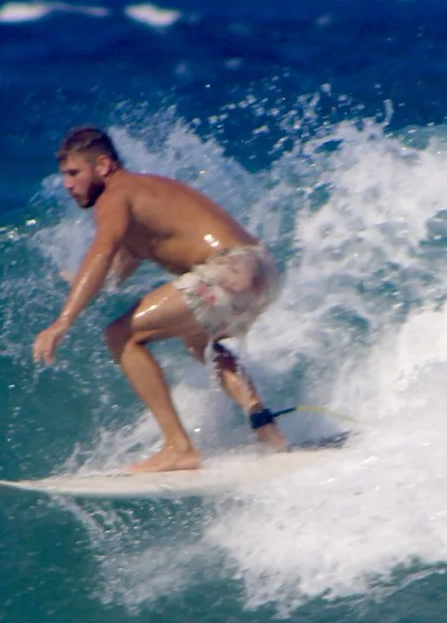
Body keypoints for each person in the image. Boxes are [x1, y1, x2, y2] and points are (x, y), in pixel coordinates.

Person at [32, 126, 287, 473]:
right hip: (261, 270)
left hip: (228, 271)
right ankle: (266, 427)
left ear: (104, 166)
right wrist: (80, 282)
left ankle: (178, 448)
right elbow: (114, 269)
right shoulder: (145, 195)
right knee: (199, 341)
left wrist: (63, 322)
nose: (67, 184)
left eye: (74, 173)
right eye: (64, 175)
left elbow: (102, 250)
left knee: (121, 335)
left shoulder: (114, 196)